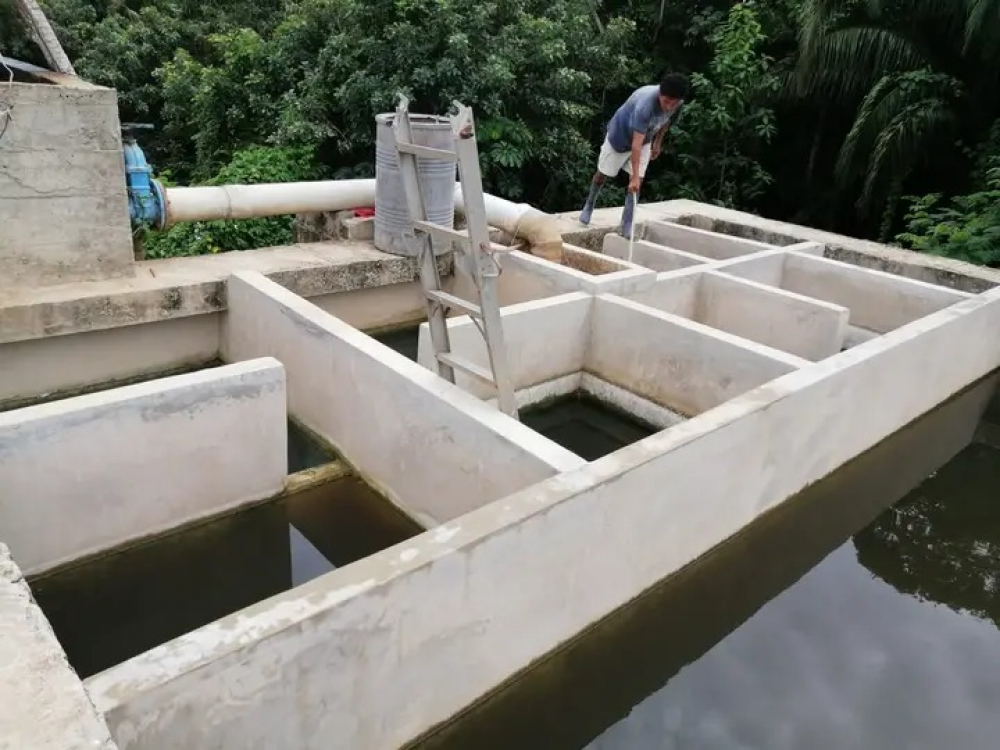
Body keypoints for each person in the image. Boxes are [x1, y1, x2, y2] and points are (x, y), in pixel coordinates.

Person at [579, 73, 689, 237]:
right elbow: (635, 145)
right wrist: (635, 176)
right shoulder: (645, 105)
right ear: (660, 94)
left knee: (639, 181)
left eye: (673, 104)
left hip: (646, 138)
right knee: (603, 174)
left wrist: (658, 143)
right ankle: (589, 204)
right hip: (620, 137)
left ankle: (627, 223)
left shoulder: (677, 103)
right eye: (666, 102)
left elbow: (666, 122)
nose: (668, 107)